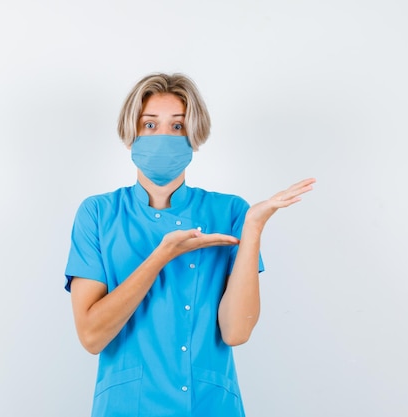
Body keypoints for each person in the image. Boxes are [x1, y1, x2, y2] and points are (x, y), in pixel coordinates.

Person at [64, 72, 315, 417]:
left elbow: (236, 331)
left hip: (210, 405)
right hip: (126, 407)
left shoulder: (229, 211)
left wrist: (253, 226)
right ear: (130, 136)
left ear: (193, 137)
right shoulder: (98, 213)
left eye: (177, 127)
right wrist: (161, 256)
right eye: (150, 125)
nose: (163, 137)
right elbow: (91, 336)